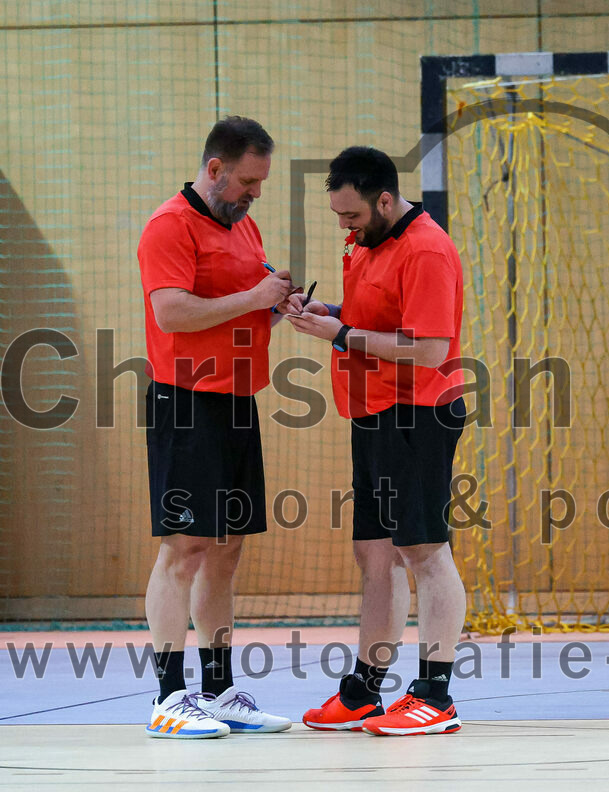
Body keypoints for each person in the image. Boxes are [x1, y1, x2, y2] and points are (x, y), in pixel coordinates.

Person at [284, 146, 467, 736]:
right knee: (375, 554)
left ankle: (435, 696)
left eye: (353, 216)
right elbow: (371, 321)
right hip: (373, 412)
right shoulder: (365, 241)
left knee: (425, 552)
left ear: (385, 199)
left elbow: (429, 348)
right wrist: (328, 314)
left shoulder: (427, 250)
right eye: (339, 217)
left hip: (418, 413)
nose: (345, 227)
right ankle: (365, 691)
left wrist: (342, 332)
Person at [138, 116, 294, 738]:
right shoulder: (169, 226)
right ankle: (169, 698)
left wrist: (279, 305)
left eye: (260, 184)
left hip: (235, 401)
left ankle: (218, 688)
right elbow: (172, 311)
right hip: (185, 402)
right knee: (185, 548)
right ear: (215, 169)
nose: (255, 194)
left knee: (226, 552)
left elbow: (242, 303)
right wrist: (255, 299)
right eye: (248, 182)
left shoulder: (242, 224)